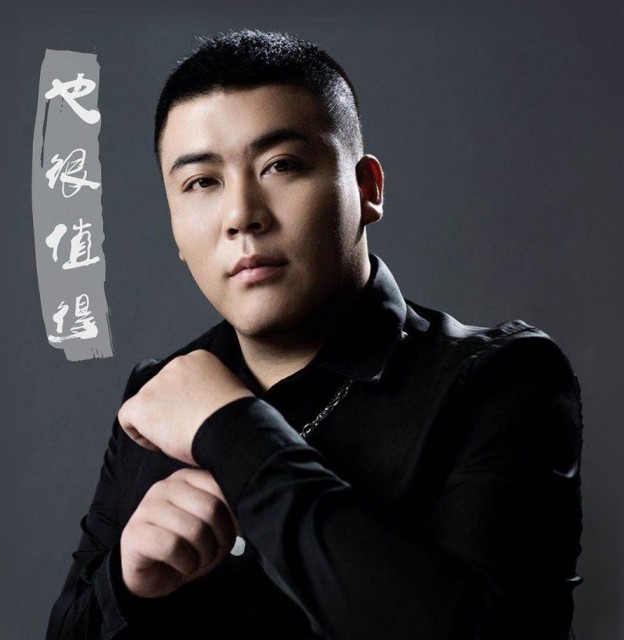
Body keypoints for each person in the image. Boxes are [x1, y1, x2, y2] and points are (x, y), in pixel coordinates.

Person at [46, 29, 583, 640]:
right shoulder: (157, 393)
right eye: (202, 182)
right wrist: (124, 581)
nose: (241, 215)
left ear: (368, 190)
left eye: (281, 166)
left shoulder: (503, 380)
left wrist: (231, 431)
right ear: (175, 227)